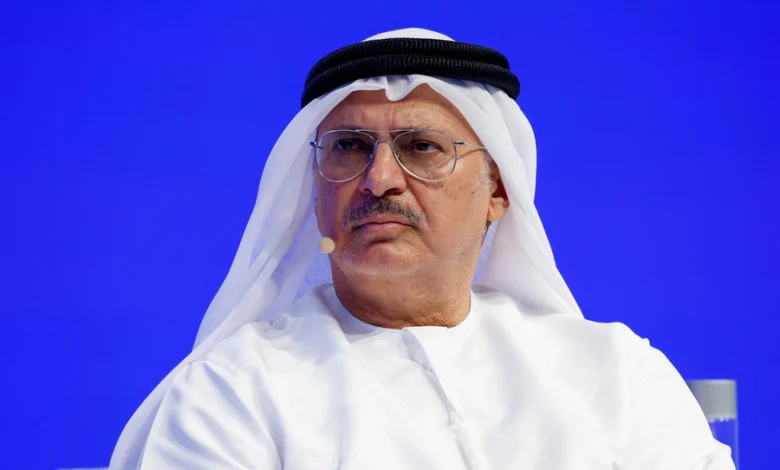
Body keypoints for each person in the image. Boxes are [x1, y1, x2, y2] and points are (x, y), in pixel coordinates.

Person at [110, 28, 735, 469]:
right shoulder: (231, 392)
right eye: (349, 147)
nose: (379, 179)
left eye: (422, 147)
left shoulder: (616, 375)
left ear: (498, 191)